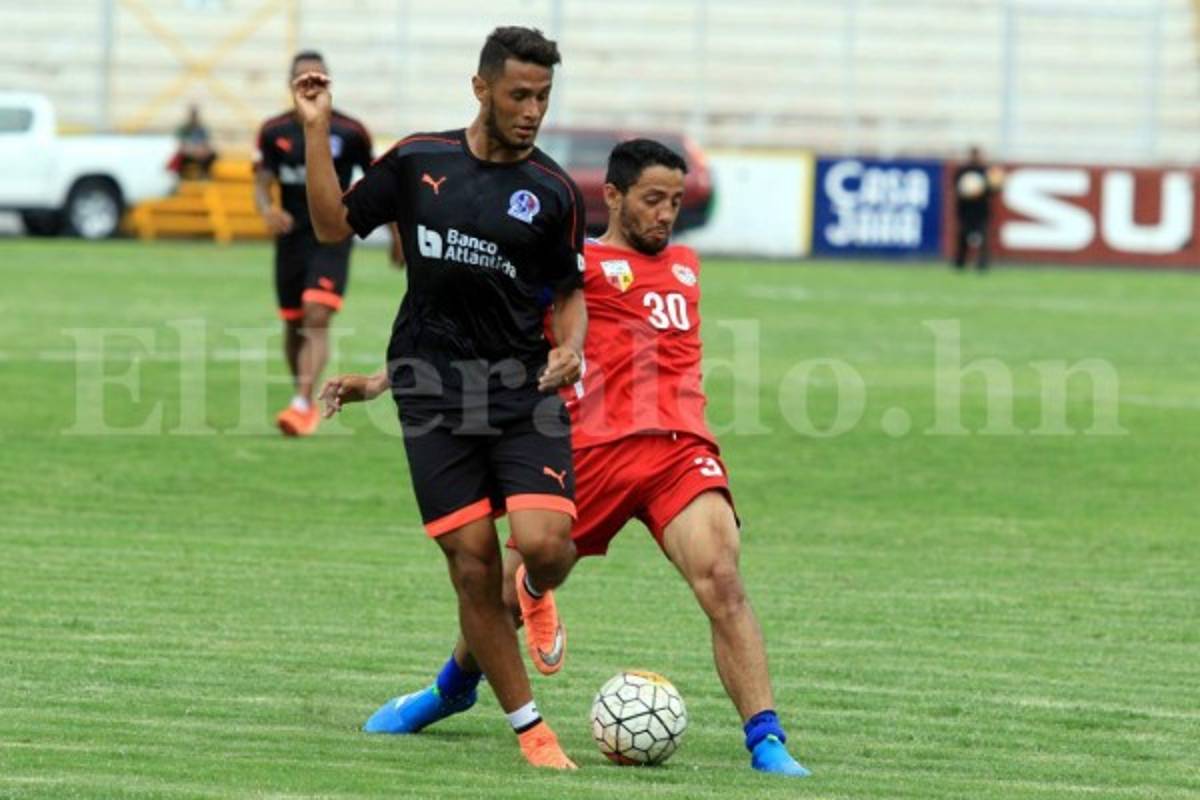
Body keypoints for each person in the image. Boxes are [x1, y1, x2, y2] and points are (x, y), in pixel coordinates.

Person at [322, 139, 811, 777]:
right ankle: (451, 688)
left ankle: (766, 740)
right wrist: (382, 381)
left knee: (722, 576)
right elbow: (478, 331)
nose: (666, 214)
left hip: (678, 450)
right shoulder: (571, 268)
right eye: (653, 200)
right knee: (498, 599)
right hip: (587, 454)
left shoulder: (687, 265)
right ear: (612, 196)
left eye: (674, 201)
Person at [293, 27, 588, 769]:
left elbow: (570, 291)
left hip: (522, 393)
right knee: (472, 566)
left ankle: (535, 587)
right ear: (480, 88)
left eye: (544, 97)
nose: (533, 111)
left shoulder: (554, 192)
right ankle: (531, 730)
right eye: (519, 95)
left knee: (548, 546)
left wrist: (571, 346)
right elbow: (330, 224)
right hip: (430, 396)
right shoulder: (419, 160)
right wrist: (317, 129)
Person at [255, 50, 395, 437]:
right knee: (293, 322)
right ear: (290, 84)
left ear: (329, 82)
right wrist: (267, 209)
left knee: (316, 313)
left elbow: (379, 183)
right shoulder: (273, 131)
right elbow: (262, 181)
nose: (310, 84)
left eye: (318, 77)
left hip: (333, 235)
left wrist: (396, 234)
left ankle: (302, 404)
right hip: (291, 239)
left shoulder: (350, 132)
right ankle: (301, 395)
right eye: (303, 78)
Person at [952, 145, 1000, 271]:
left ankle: (982, 263)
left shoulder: (985, 172)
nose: (975, 158)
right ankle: (960, 262)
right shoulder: (963, 171)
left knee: (983, 237)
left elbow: (993, 190)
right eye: (974, 155)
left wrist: (993, 186)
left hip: (981, 210)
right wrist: (968, 192)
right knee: (963, 237)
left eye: (977, 155)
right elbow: (957, 188)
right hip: (965, 210)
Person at [175, 104, 217, 178]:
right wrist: (192, 150)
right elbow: (181, 144)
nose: (194, 117)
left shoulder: (201, 128)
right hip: (188, 152)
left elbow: (206, 143)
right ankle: (182, 176)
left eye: (195, 115)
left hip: (200, 152)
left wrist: (203, 150)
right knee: (181, 157)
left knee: (212, 155)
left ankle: (205, 173)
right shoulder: (184, 129)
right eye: (192, 115)